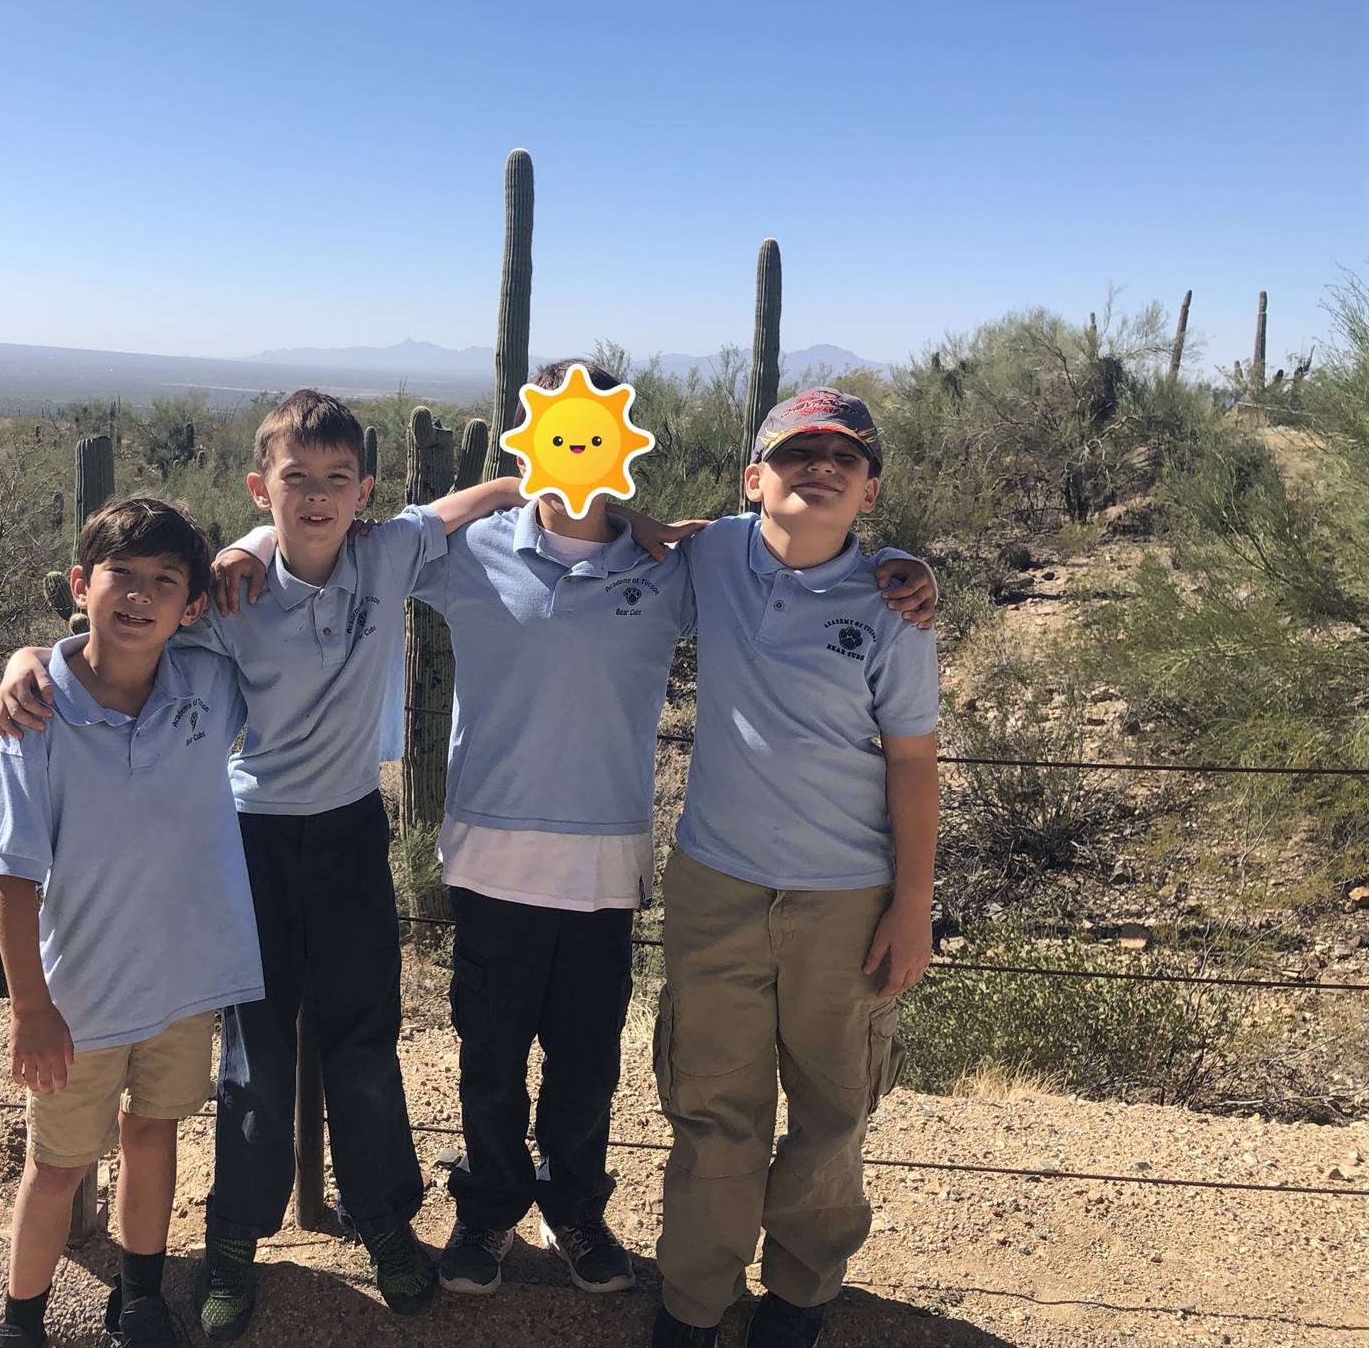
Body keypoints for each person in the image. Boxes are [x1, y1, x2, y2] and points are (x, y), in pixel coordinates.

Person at [212, 367, 936, 1316]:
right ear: (529, 436)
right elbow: (347, 537)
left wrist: (907, 570)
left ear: (621, 439)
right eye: (556, 430)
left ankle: (578, 1208)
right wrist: (250, 538)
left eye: (594, 430)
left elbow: (784, 562)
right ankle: (488, 1208)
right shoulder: (467, 555)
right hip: (489, 855)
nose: (575, 448)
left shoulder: (672, 566)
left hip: (606, 857)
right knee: (489, 1050)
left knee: (589, 1055)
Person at [0, 390, 524, 1339]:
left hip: (354, 825)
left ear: (364, 490)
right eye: (295, 480)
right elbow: (116, 638)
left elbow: (458, 508)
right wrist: (29, 654)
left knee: (364, 1040)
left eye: (336, 481)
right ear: (261, 487)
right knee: (256, 1055)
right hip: (253, 837)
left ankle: (385, 1223)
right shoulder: (228, 593)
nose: (316, 498)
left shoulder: (385, 550)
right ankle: (235, 1238)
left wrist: (551, 478)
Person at [651, 389, 941, 1348]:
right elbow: (593, 528)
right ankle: (695, 1300)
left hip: (844, 900)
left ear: (868, 492)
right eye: (795, 455)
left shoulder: (897, 610)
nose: (817, 469)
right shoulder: (710, 555)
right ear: (753, 480)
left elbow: (911, 764)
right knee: (712, 1101)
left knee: (832, 1105)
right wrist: (631, 517)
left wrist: (913, 906)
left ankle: (801, 1297)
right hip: (716, 884)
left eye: (842, 460)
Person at [0, 498, 260, 1348]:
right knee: (57, 1166)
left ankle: (138, 1296)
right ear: (81, 584)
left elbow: (304, 589)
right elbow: (12, 871)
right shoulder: (37, 715)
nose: (140, 598)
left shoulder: (209, 686)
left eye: (164, 584)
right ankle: (20, 1323)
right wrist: (30, 1005)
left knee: (154, 1134)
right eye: (122, 578)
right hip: (80, 997)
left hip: (182, 982)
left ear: (190, 604)